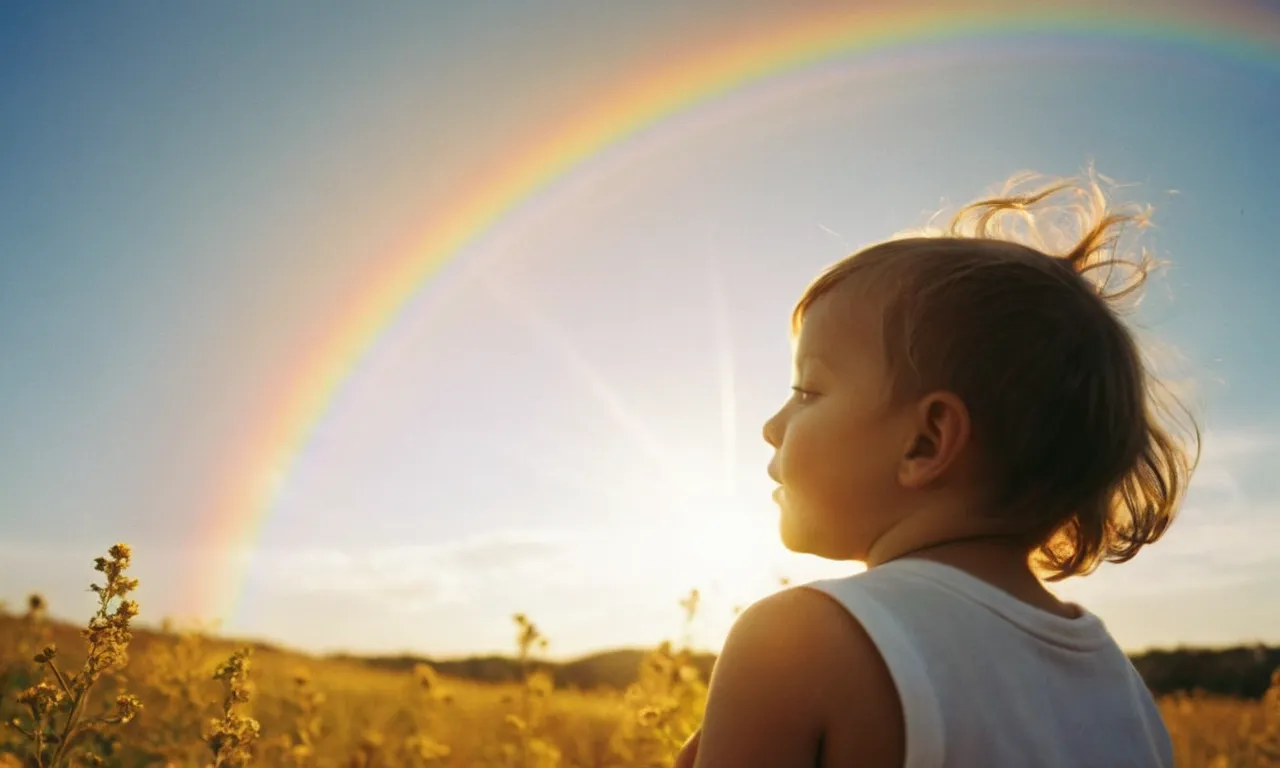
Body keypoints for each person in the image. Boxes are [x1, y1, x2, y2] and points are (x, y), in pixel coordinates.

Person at [674, 170, 1199, 768]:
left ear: (926, 442)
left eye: (807, 391)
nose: (772, 426)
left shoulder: (794, 641)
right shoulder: (1121, 688)